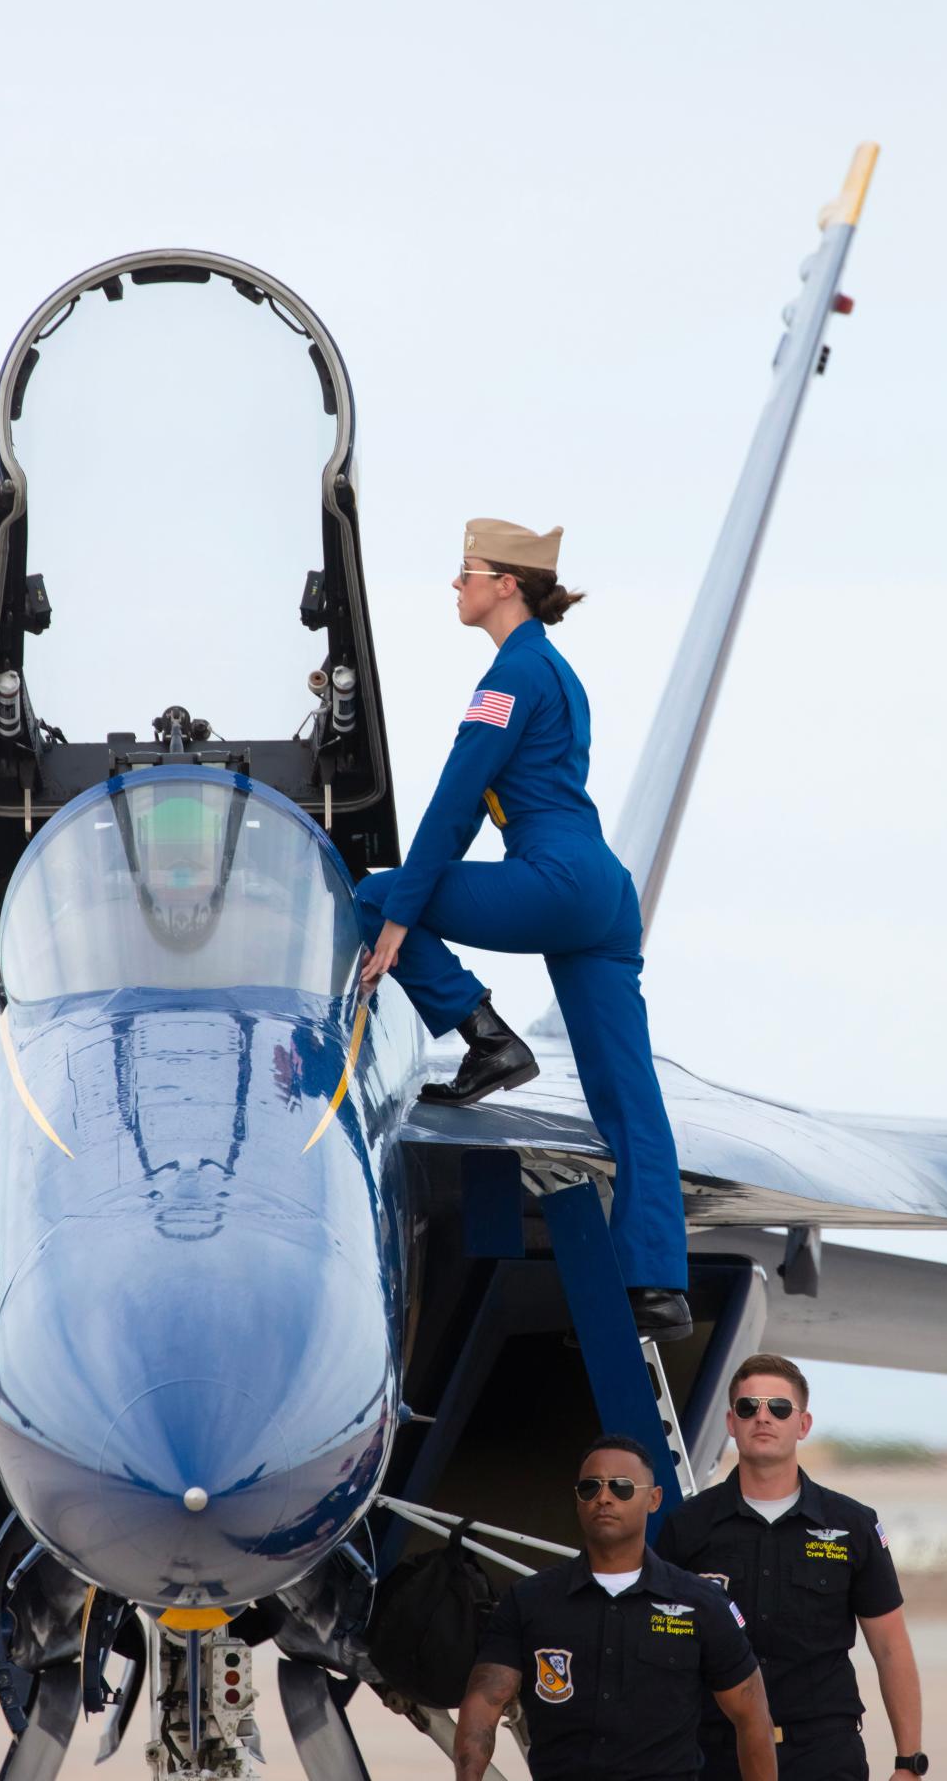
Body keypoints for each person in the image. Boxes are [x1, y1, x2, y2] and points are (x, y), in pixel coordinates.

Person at [356, 517, 689, 1340]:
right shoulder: (558, 671)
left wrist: (401, 914)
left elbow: (456, 796)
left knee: (368, 894)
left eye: (466, 571)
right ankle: (657, 1284)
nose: (456, 584)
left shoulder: (510, 675)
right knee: (627, 1093)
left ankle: (485, 1036)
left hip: (556, 880)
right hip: (603, 893)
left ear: (507, 584)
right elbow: (477, 811)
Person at [657, 1354, 926, 1780]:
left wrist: (909, 1763)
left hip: (822, 1756)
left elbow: (891, 1647)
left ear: (803, 1425)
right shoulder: (686, 1526)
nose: (762, 1417)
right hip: (716, 1756)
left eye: (779, 1408)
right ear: (731, 1422)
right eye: (749, 1407)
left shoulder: (852, 1525)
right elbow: (656, 1651)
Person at [455, 1434, 777, 1781]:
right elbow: (484, 1704)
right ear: (578, 1500)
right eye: (590, 1488)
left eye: (621, 1487)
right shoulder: (528, 1600)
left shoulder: (701, 1604)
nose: (603, 1498)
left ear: (654, 1500)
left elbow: (752, 1717)